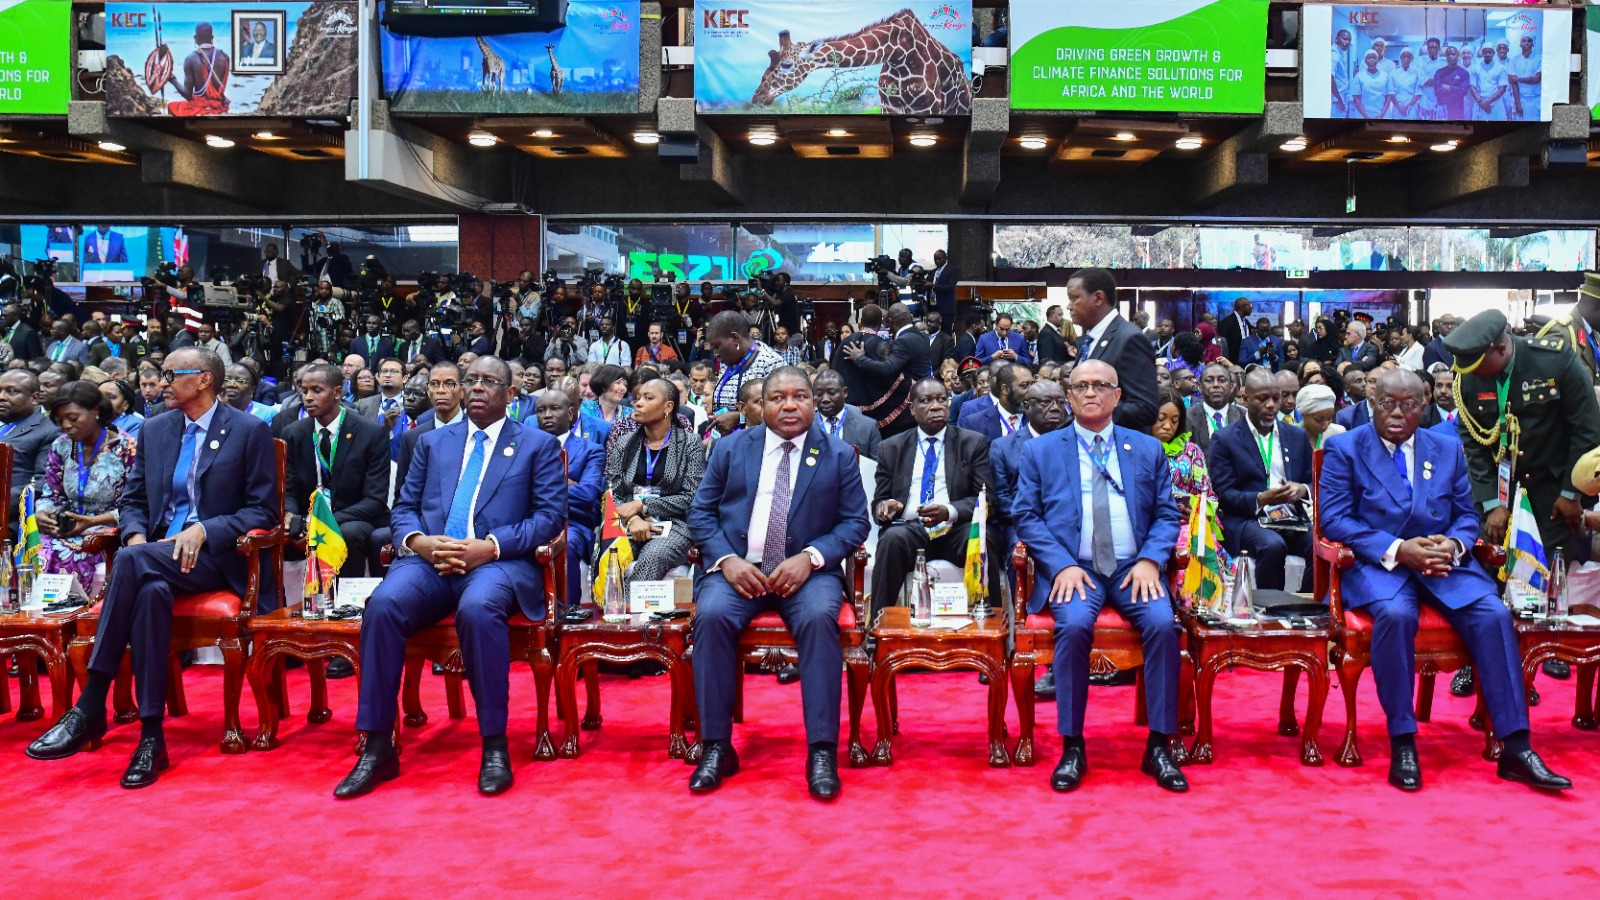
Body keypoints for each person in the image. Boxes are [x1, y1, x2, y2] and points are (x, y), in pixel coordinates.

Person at [26, 348, 277, 788]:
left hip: (215, 559)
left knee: (131, 562)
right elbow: (134, 501)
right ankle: (151, 737)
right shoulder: (157, 429)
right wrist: (137, 537)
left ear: (202, 380)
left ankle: (90, 704)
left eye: (170, 375)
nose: (160, 383)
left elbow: (262, 511)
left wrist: (205, 530)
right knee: (149, 591)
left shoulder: (249, 430)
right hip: (157, 556)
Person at [1319, 369, 1570, 793]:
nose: (1397, 413)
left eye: (1409, 404)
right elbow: (1335, 519)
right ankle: (1403, 740)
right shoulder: (1345, 447)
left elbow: (1466, 516)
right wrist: (1401, 549)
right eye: (1387, 404)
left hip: (1443, 564)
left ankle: (1516, 746)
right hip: (1381, 566)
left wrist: (1453, 546)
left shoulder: (1448, 448)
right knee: (1396, 617)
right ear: (1372, 401)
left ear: (1425, 406)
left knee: (1493, 615)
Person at [337, 357, 566, 799]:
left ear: (510, 395)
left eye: (489, 382)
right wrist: (420, 542)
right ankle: (377, 744)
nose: (478, 388)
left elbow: (549, 519)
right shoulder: (431, 443)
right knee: (383, 605)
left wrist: (492, 546)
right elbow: (403, 506)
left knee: (479, 609)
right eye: (472, 381)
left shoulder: (536, 445)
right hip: (431, 560)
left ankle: (494, 744)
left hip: (497, 562)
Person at [686, 367, 870, 799]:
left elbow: (855, 523)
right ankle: (715, 746)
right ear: (761, 404)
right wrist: (727, 560)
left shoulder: (838, 454)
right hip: (739, 571)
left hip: (807, 576)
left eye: (800, 396)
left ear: (813, 401)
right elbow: (700, 513)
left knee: (820, 618)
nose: (790, 405)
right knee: (710, 615)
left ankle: (821, 750)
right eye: (779, 398)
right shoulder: (731, 449)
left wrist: (810, 558)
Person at [1013, 360, 1186, 793]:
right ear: (1069, 396)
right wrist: (1061, 564)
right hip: (1076, 568)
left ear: (1117, 395)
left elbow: (1167, 515)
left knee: (1164, 625)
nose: (1091, 393)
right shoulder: (1041, 451)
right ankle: (1073, 744)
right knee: (1072, 626)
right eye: (1081, 386)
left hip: (1134, 566)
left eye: (1100, 385)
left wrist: (1150, 559)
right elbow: (1026, 517)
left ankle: (1159, 745)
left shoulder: (1146, 449)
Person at [870, 378, 990, 613]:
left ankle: (991, 623)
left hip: (956, 528)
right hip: (911, 528)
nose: (936, 406)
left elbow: (987, 500)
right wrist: (885, 507)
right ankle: (878, 626)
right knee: (891, 539)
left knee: (984, 539)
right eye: (926, 400)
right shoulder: (891, 448)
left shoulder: (972, 443)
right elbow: (879, 500)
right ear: (912, 409)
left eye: (941, 399)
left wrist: (949, 511)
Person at [1209, 368, 1314, 592]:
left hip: (1290, 517)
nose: (1271, 405)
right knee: (1272, 546)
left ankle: (1307, 606)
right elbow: (1223, 494)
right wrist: (1261, 499)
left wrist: (1302, 489)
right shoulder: (1225, 439)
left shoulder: (1297, 436)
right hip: (1247, 519)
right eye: (1262, 399)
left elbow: (1312, 481)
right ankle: (1271, 609)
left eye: (1276, 398)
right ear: (1245, 399)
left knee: (1319, 544)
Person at [283, 363, 391, 580]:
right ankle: (290, 607)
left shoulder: (371, 433)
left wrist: (323, 521)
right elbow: (289, 488)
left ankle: (345, 606)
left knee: (347, 532)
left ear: (338, 393)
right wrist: (291, 516)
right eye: (304, 391)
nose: (308, 397)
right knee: (285, 531)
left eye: (317, 390)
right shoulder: (293, 432)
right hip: (308, 517)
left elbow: (375, 500)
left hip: (355, 516)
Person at [598, 378, 703, 590]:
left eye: (648, 398)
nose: (638, 403)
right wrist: (634, 517)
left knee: (653, 555)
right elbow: (613, 489)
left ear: (668, 407)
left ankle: (626, 617)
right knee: (612, 555)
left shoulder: (689, 443)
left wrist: (643, 506)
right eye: (637, 398)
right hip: (626, 520)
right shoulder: (625, 442)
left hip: (674, 525)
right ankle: (609, 615)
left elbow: (691, 496)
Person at [34, 381, 137, 589]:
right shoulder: (61, 445)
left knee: (81, 554)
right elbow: (51, 494)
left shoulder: (127, 449)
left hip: (109, 529)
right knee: (38, 550)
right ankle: (46, 619)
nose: (65, 426)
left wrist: (91, 521)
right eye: (59, 420)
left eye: (73, 419)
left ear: (96, 411)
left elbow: (136, 505)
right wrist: (44, 513)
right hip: (68, 527)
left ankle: (87, 620)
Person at [989, 380, 1067, 609]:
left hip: (1066, 519)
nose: (1054, 408)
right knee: (1019, 552)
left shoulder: (1075, 443)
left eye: (1060, 402)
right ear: (1026, 406)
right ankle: (1024, 618)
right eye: (1045, 402)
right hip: (1019, 523)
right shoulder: (1002, 447)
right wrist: (1034, 521)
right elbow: (1001, 499)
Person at [1067, 268, 1159, 431]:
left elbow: (1145, 408)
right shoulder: (1089, 339)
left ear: (1098, 298)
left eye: (1074, 298)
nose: (1069, 306)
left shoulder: (1129, 339)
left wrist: (1091, 410)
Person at [534, 389, 603, 604]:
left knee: (568, 542)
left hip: (572, 524)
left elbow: (587, 494)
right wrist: (566, 483)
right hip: (531, 521)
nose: (547, 415)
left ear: (571, 413)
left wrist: (539, 488)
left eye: (554, 409)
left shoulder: (591, 450)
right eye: (541, 410)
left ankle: (568, 614)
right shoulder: (525, 448)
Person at [840, 303, 929, 440]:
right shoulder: (921, 336)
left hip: (907, 409)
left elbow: (888, 369)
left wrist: (860, 358)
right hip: (921, 399)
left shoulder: (903, 341)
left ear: (890, 322)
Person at [705, 311, 784, 439]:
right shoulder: (729, 361)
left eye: (717, 346)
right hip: (725, 444)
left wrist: (739, 417)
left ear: (735, 338)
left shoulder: (771, 363)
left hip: (756, 445)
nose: (716, 354)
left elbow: (780, 410)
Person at [0, 369, 62, 512]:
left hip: (11, 517)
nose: (1, 397)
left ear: (34, 398)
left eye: (12, 391)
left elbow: (42, 484)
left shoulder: (48, 432)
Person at [811, 368, 880, 461]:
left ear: (845, 392)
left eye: (831, 393)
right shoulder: (805, 427)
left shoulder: (867, 427)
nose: (825, 399)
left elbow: (878, 469)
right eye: (819, 394)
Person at [167, 23, 232, 116]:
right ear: (212, 38)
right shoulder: (225, 57)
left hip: (200, 108)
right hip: (220, 107)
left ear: (195, 38)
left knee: (171, 106)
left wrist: (173, 80)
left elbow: (187, 95)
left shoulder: (191, 59)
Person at [959, 362, 1033, 442]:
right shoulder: (974, 423)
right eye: (1024, 385)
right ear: (1005, 389)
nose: (1032, 390)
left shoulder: (1039, 419)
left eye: (1033, 384)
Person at [1184, 362, 1243, 454]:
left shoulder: (1244, 416)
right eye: (1209, 380)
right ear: (1200, 387)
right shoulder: (1187, 417)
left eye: (1222, 380)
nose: (1216, 385)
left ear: (1231, 387)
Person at [1296, 384, 1344, 450]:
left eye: (1329, 418)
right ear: (1303, 414)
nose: (1325, 426)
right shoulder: (1290, 435)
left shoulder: (1338, 433)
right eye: (1319, 420)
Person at [1507, 34, 1541, 122]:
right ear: (1520, 44)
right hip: (1520, 99)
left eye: (1529, 41)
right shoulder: (1513, 60)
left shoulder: (1539, 59)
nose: (1526, 43)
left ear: (1533, 44)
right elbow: (1513, 84)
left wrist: (1518, 79)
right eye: (1524, 41)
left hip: (1536, 100)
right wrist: (1518, 104)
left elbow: (1536, 79)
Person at [1218, 298, 1253, 367]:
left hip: (1246, 361)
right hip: (1232, 362)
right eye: (1249, 305)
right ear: (1241, 307)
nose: (1251, 308)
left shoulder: (1247, 323)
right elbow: (1223, 344)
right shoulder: (1227, 322)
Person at [929, 249, 958, 328]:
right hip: (933, 306)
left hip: (946, 308)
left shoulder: (952, 270)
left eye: (939, 258)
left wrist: (933, 286)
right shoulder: (932, 272)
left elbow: (950, 287)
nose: (937, 261)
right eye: (935, 259)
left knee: (946, 332)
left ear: (946, 258)